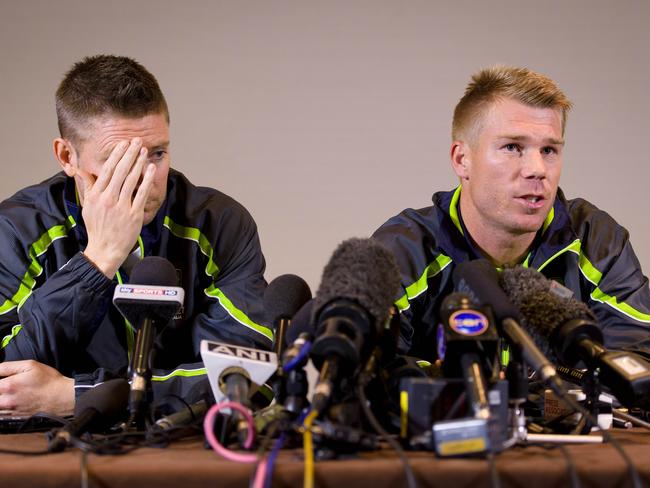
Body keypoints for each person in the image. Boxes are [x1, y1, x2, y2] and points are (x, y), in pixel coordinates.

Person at [0, 55, 271, 416]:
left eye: (157, 154)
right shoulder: (16, 230)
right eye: (119, 160)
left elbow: (247, 381)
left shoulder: (219, 223)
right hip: (52, 455)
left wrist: (78, 395)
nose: (145, 178)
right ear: (67, 156)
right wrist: (97, 261)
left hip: (182, 454)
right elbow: (6, 385)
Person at [372, 66, 650, 362]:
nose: (537, 170)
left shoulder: (596, 240)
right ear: (462, 159)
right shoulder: (404, 249)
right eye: (513, 147)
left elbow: (638, 361)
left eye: (548, 150)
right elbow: (370, 376)